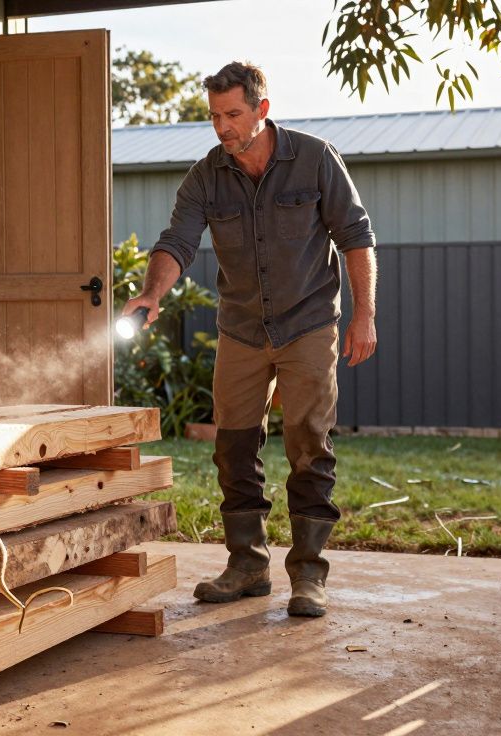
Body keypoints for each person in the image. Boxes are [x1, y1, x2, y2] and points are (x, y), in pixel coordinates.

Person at [121, 61, 377, 617]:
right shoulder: (206, 176)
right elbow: (177, 242)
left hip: (308, 325)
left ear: (262, 109)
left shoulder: (314, 158)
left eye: (233, 114)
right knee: (233, 448)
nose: (222, 127)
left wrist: (365, 316)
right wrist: (152, 293)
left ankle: (309, 575)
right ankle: (246, 566)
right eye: (215, 116)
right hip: (240, 329)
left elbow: (356, 237)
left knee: (309, 444)